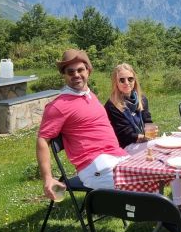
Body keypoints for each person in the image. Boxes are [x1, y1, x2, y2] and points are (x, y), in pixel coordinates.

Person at [36, 49, 129, 200]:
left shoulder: (90, 96)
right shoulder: (58, 106)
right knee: (143, 186)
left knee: (156, 173)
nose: (76, 75)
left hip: (117, 157)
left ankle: (173, 217)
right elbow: (42, 140)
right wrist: (47, 178)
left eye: (80, 70)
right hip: (95, 167)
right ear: (64, 75)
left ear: (88, 71)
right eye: (70, 72)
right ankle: (171, 218)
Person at [104, 63, 153, 148]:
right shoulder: (112, 105)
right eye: (122, 80)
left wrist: (152, 132)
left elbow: (147, 121)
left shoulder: (142, 99)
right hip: (123, 146)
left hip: (140, 141)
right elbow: (125, 134)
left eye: (130, 79)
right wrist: (146, 138)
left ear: (134, 80)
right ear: (116, 83)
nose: (127, 83)